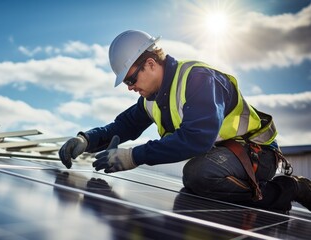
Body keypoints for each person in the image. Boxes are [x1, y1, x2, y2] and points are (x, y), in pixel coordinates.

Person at [58, 30, 311, 213]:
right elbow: (123, 125)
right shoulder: (152, 98)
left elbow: (196, 139)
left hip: (257, 154)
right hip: (223, 157)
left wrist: (133, 156)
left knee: (198, 174)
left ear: (150, 63)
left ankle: (289, 189)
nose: (130, 87)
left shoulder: (198, 79)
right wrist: (86, 139)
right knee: (195, 182)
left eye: (131, 80)